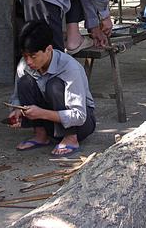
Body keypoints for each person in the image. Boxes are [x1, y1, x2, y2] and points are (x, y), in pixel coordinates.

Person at [8, 20, 96, 156]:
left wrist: (41, 113)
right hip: (50, 120)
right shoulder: (24, 65)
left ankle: (70, 138)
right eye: (25, 56)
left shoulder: (69, 67)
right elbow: (17, 97)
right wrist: (17, 110)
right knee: (25, 82)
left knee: (54, 86)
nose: (29, 62)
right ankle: (40, 135)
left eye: (33, 56)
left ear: (48, 50)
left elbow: (79, 116)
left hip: (80, 125)